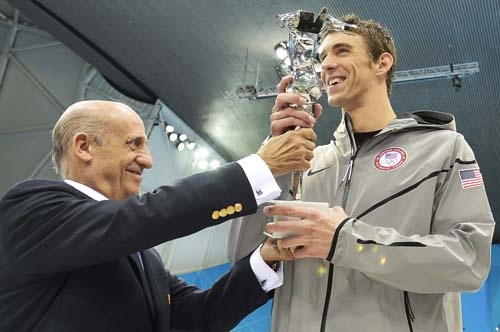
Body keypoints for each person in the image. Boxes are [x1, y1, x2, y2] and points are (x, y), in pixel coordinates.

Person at [228, 14, 495, 332]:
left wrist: (347, 241)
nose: (326, 65)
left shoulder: (445, 150)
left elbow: (468, 262)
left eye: (341, 50)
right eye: (322, 56)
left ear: (382, 63)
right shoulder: (305, 166)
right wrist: (271, 161)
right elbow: (241, 257)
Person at [0, 100, 317, 332]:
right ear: (83, 146)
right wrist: (259, 167)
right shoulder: (31, 210)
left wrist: (266, 256)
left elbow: (197, 318)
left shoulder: (144, 259)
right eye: (133, 144)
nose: (148, 160)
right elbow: (142, 218)